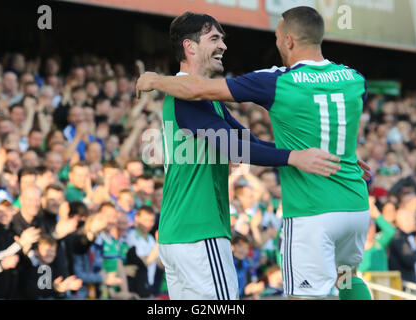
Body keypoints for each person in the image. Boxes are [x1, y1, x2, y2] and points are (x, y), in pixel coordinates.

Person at [137, 7, 373, 300]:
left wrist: (313, 155)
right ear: (189, 46)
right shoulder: (188, 99)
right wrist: (293, 157)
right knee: (345, 278)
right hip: (198, 230)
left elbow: (246, 141)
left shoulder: (224, 96)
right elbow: (235, 146)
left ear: (287, 40)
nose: (223, 45)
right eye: (214, 39)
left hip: (190, 231)